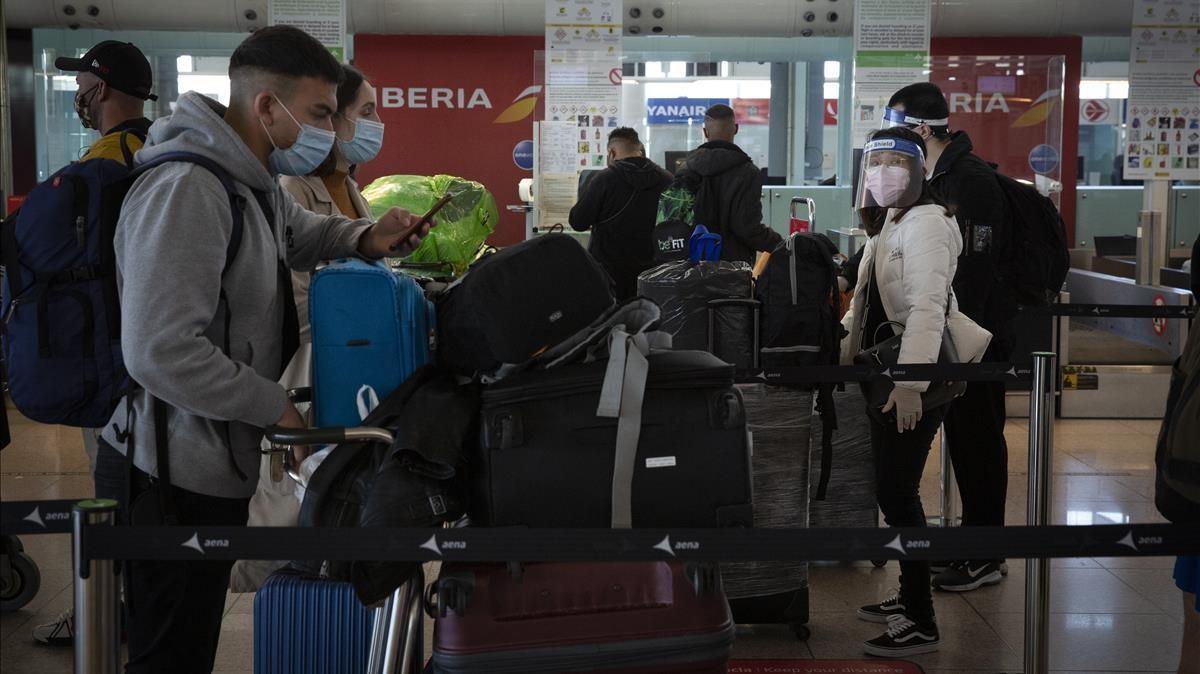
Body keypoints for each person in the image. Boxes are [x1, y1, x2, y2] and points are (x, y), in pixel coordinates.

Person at [92, 26, 428, 673]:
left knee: (189, 644)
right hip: (164, 468)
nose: (330, 131)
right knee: (168, 653)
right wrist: (273, 406)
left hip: (208, 459)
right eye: (320, 113)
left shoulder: (250, 181)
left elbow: (300, 236)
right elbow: (158, 348)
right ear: (267, 107)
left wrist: (368, 237)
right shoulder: (189, 188)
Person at [228, 63, 384, 594]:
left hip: (340, 372)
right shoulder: (287, 186)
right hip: (301, 375)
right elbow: (291, 297)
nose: (374, 123)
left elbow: (344, 255)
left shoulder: (346, 186)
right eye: (363, 113)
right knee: (288, 505)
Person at [840, 127, 990, 657]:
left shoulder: (928, 223)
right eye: (874, 161)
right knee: (892, 489)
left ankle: (921, 620)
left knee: (898, 492)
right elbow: (866, 302)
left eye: (895, 162)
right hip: (888, 370)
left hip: (917, 375)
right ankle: (908, 595)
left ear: (919, 171)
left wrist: (910, 383)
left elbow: (927, 309)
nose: (882, 171)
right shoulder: (891, 221)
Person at [31, 40, 159, 647]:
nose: (79, 95)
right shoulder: (156, 146)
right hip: (147, 346)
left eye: (82, 83)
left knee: (109, 486)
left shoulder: (108, 158)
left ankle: (105, 612)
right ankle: (131, 603)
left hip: (107, 351)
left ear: (101, 89)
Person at [885, 82, 1015, 591]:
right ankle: (969, 545)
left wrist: (949, 336)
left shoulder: (971, 181)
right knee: (965, 441)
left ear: (920, 129)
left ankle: (986, 554)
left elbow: (976, 271)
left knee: (979, 442)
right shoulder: (942, 175)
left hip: (975, 341)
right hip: (952, 336)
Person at [569, 127, 671, 299]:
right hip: (653, 272)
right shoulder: (666, 178)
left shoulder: (604, 179)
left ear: (612, 152)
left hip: (610, 274)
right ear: (640, 150)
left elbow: (578, 222)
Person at [675, 104, 781, 265]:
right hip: (733, 269)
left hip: (691, 264)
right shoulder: (748, 172)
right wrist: (781, 244)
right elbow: (747, 228)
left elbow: (675, 220)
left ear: (705, 132)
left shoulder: (686, 169)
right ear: (736, 129)